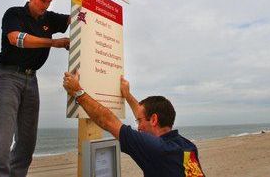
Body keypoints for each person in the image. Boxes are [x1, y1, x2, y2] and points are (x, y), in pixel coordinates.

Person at [0, 0, 70, 177]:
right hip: (8, 77)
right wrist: (54, 42)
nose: (45, 6)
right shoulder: (14, 14)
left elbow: (76, 18)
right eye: (42, 1)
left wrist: (90, 7)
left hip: (32, 81)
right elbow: (16, 39)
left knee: (27, 142)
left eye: (49, 2)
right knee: (2, 140)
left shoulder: (49, 18)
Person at [63, 71, 205, 177]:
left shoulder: (157, 148)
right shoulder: (187, 146)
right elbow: (144, 115)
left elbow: (107, 120)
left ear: (154, 120)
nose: (138, 126)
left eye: (139, 121)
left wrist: (78, 92)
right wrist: (128, 95)